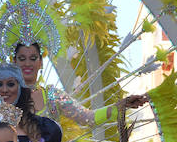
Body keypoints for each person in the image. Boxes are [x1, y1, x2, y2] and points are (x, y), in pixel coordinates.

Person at [12, 42, 149, 128]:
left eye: (33, 58)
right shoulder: (6, 97)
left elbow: (88, 117)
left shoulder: (52, 96)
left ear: (41, 62)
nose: (28, 64)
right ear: (14, 61)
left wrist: (120, 106)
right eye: (22, 59)